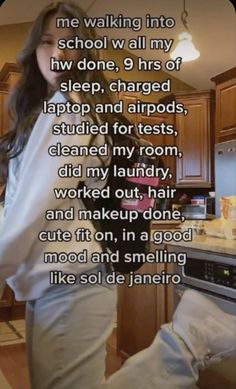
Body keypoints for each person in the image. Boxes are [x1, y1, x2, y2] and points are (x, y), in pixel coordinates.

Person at [0, 2, 235, 389]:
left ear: (86, 54)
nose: (58, 53)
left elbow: (30, 212)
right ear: (34, 50)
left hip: (71, 281)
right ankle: (187, 337)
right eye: (47, 41)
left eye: (70, 43)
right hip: (56, 280)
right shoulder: (51, 114)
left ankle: (187, 339)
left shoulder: (69, 113)